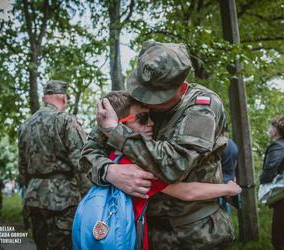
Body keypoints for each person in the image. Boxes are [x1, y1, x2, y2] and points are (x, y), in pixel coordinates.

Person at [80, 41, 235, 249]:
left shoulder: (202, 107)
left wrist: (117, 132)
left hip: (194, 234)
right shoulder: (134, 101)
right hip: (141, 230)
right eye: (143, 91)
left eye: (155, 97)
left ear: (181, 88)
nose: (146, 101)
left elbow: (173, 166)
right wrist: (109, 171)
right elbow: (88, 153)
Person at [18, 80, 91, 250]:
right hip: (63, 199)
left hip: (34, 197)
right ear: (64, 98)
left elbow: (22, 167)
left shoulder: (25, 126)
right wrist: (90, 199)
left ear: (45, 98)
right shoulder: (65, 121)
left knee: (41, 245)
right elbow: (82, 163)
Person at [259, 115, 284, 250]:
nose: (268, 130)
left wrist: (262, 180)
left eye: (270, 127)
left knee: (279, 240)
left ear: (275, 130)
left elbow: (269, 172)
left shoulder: (278, 146)